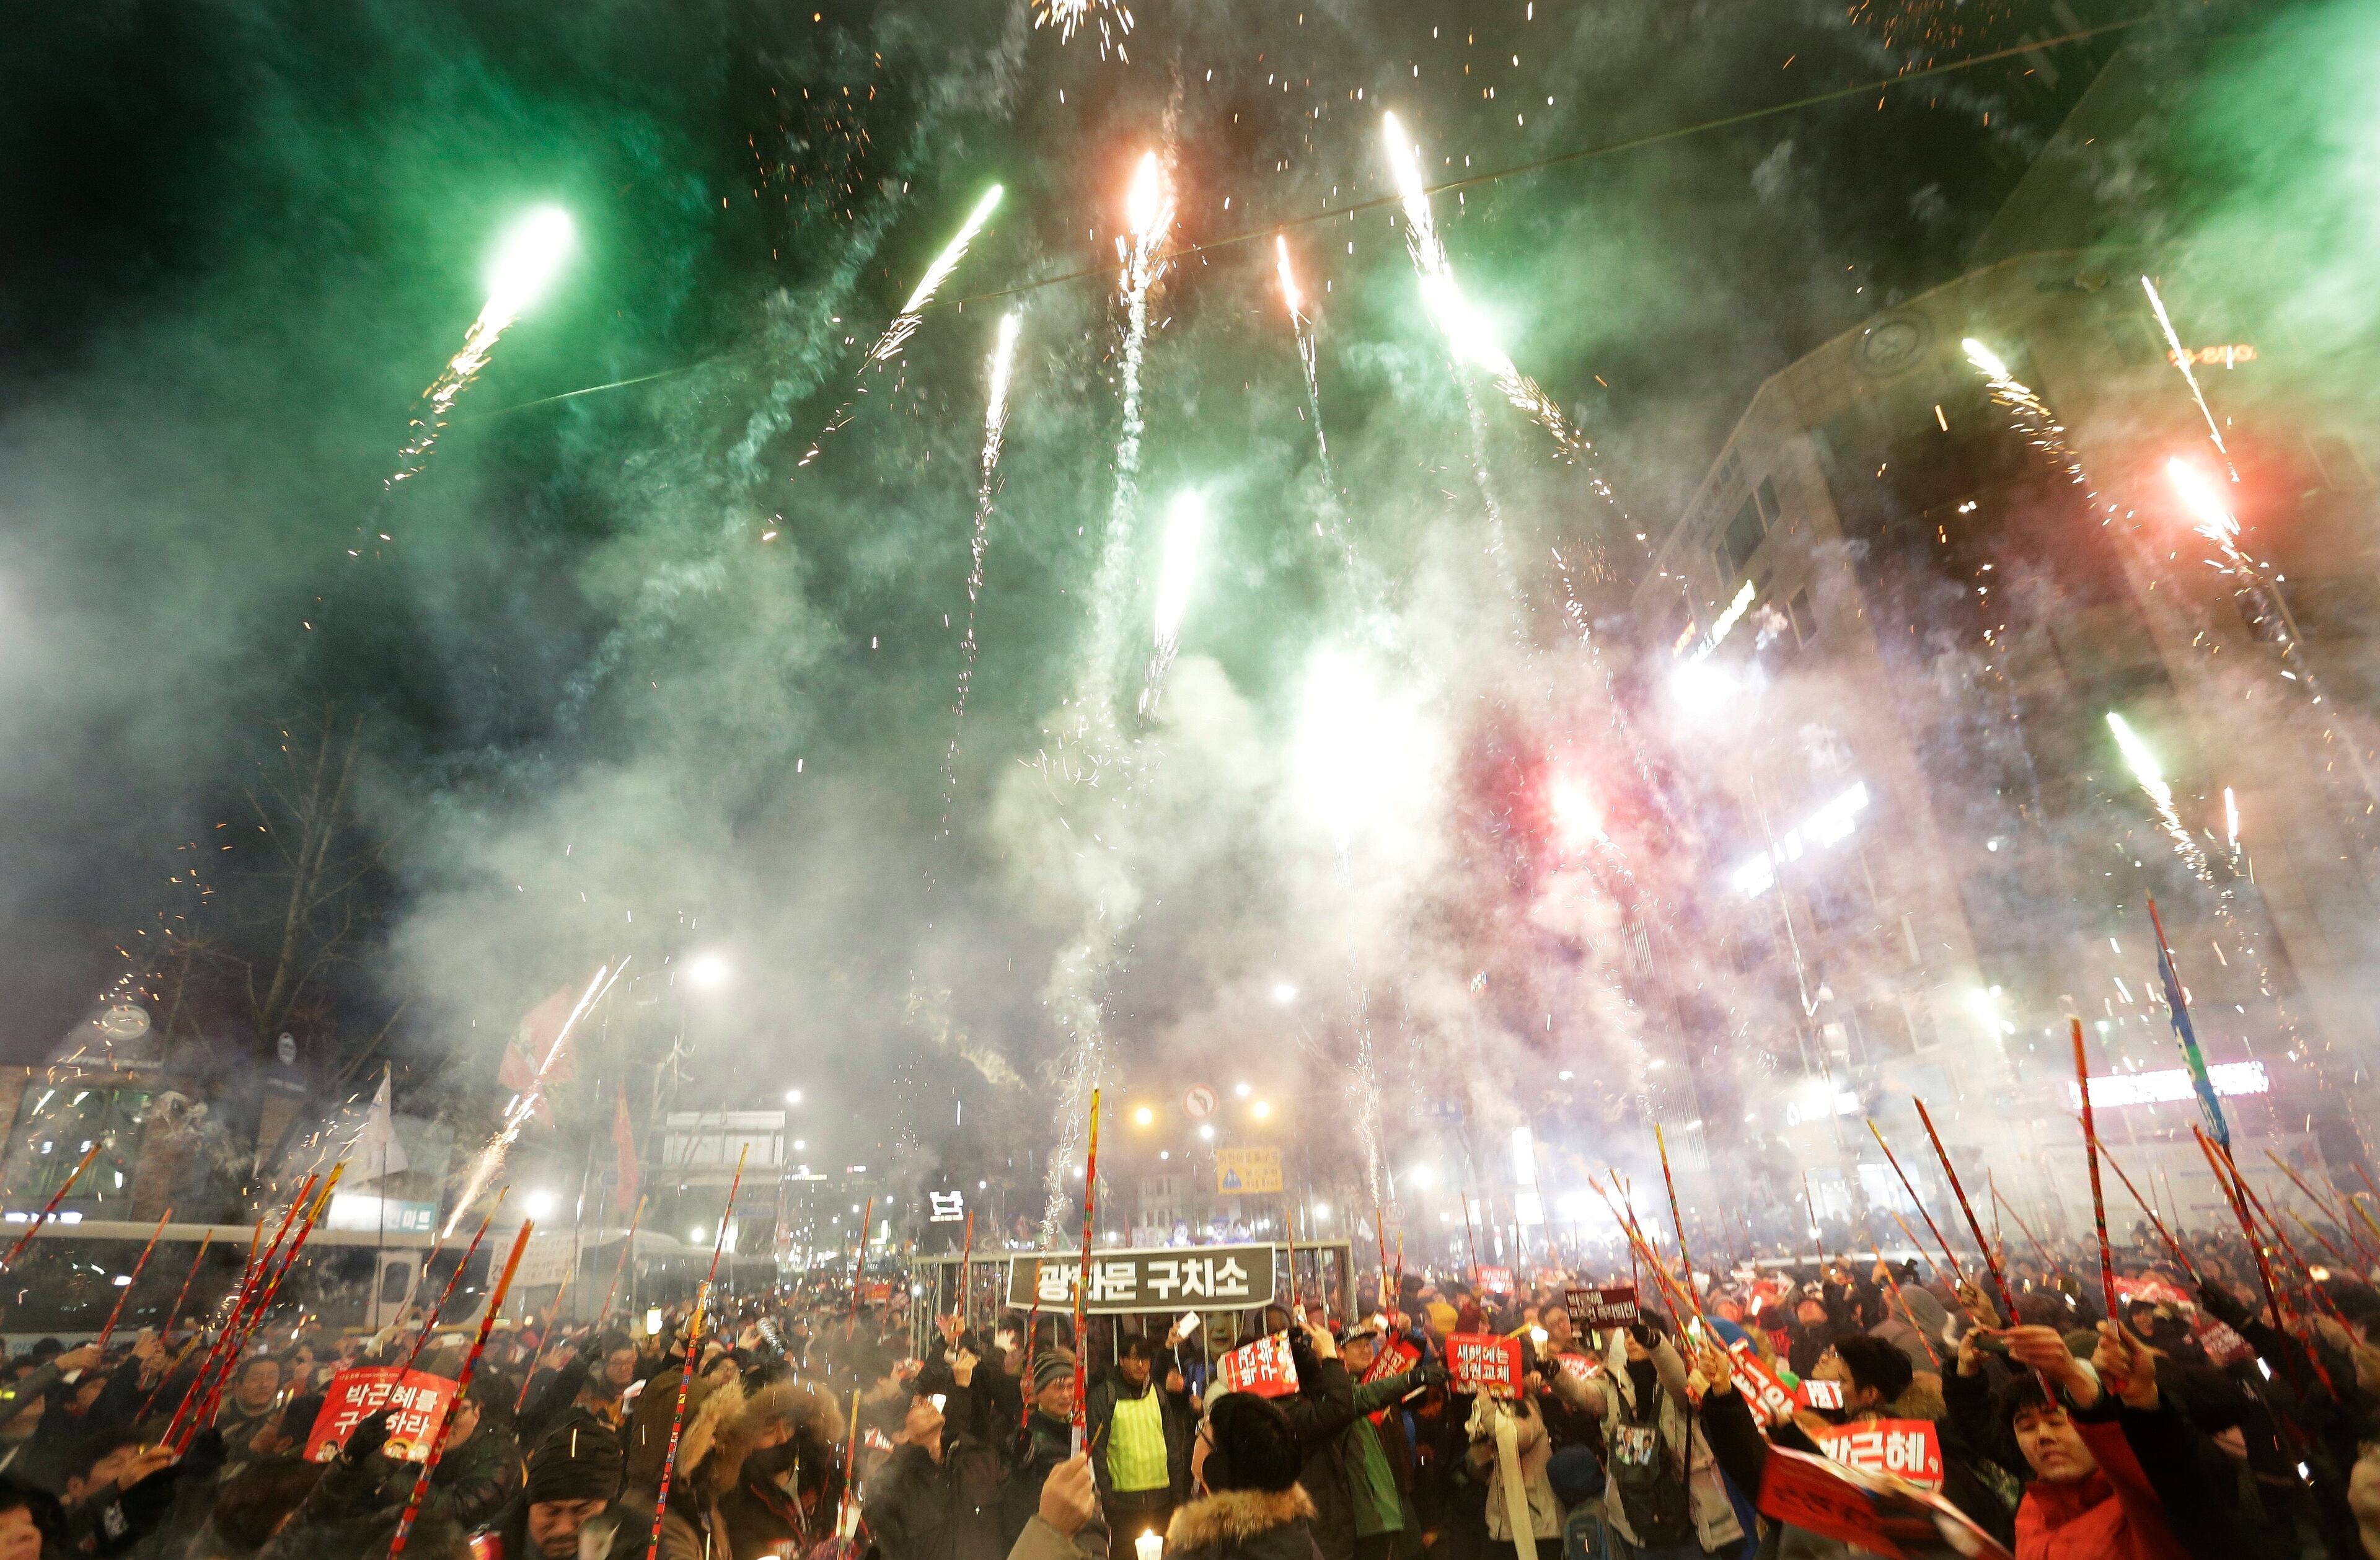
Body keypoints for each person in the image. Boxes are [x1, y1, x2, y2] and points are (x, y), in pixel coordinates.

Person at [1547, 1320, 1742, 1558]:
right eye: (1627, 1335)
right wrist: (1554, 1374)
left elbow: (1679, 1384)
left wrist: (1654, 1344)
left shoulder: (1681, 1379)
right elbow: (1581, 1394)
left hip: (1686, 1499)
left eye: (1638, 1334)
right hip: (1637, 1505)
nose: (1631, 1340)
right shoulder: (1614, 1383)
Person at [865, 1365, 1005, 1560]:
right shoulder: (892, 1488)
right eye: (915, 1406)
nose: (927, 1405)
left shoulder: (976, 1456)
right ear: (900, 1435)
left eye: (923, 1400)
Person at [1162, 1393, 1323, 1560]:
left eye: (1203, 1430)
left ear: (1216, 1467)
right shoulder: (1299, 1537)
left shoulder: (1200, 1550)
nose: (1197, 1437)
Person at [1086, 1334, 1194, 1545]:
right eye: (1135, 1358)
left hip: (1162, 1501)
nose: (1141, 1365)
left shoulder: (1159, 1394)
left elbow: (1172, 1446)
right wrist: (1109, 1502)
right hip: (1123, 1505)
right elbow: (1098, 1453)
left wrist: (1178, 1497)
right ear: (1122, 1360)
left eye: (1145, 1359)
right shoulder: (1105, 1396)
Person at [475, 1413, 622, 1560]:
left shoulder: (639, 1548)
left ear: (608, 1505)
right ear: (530, 1505)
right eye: (551, 1512)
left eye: (581, 1510)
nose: (563, 1529)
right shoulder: (483, 1551)